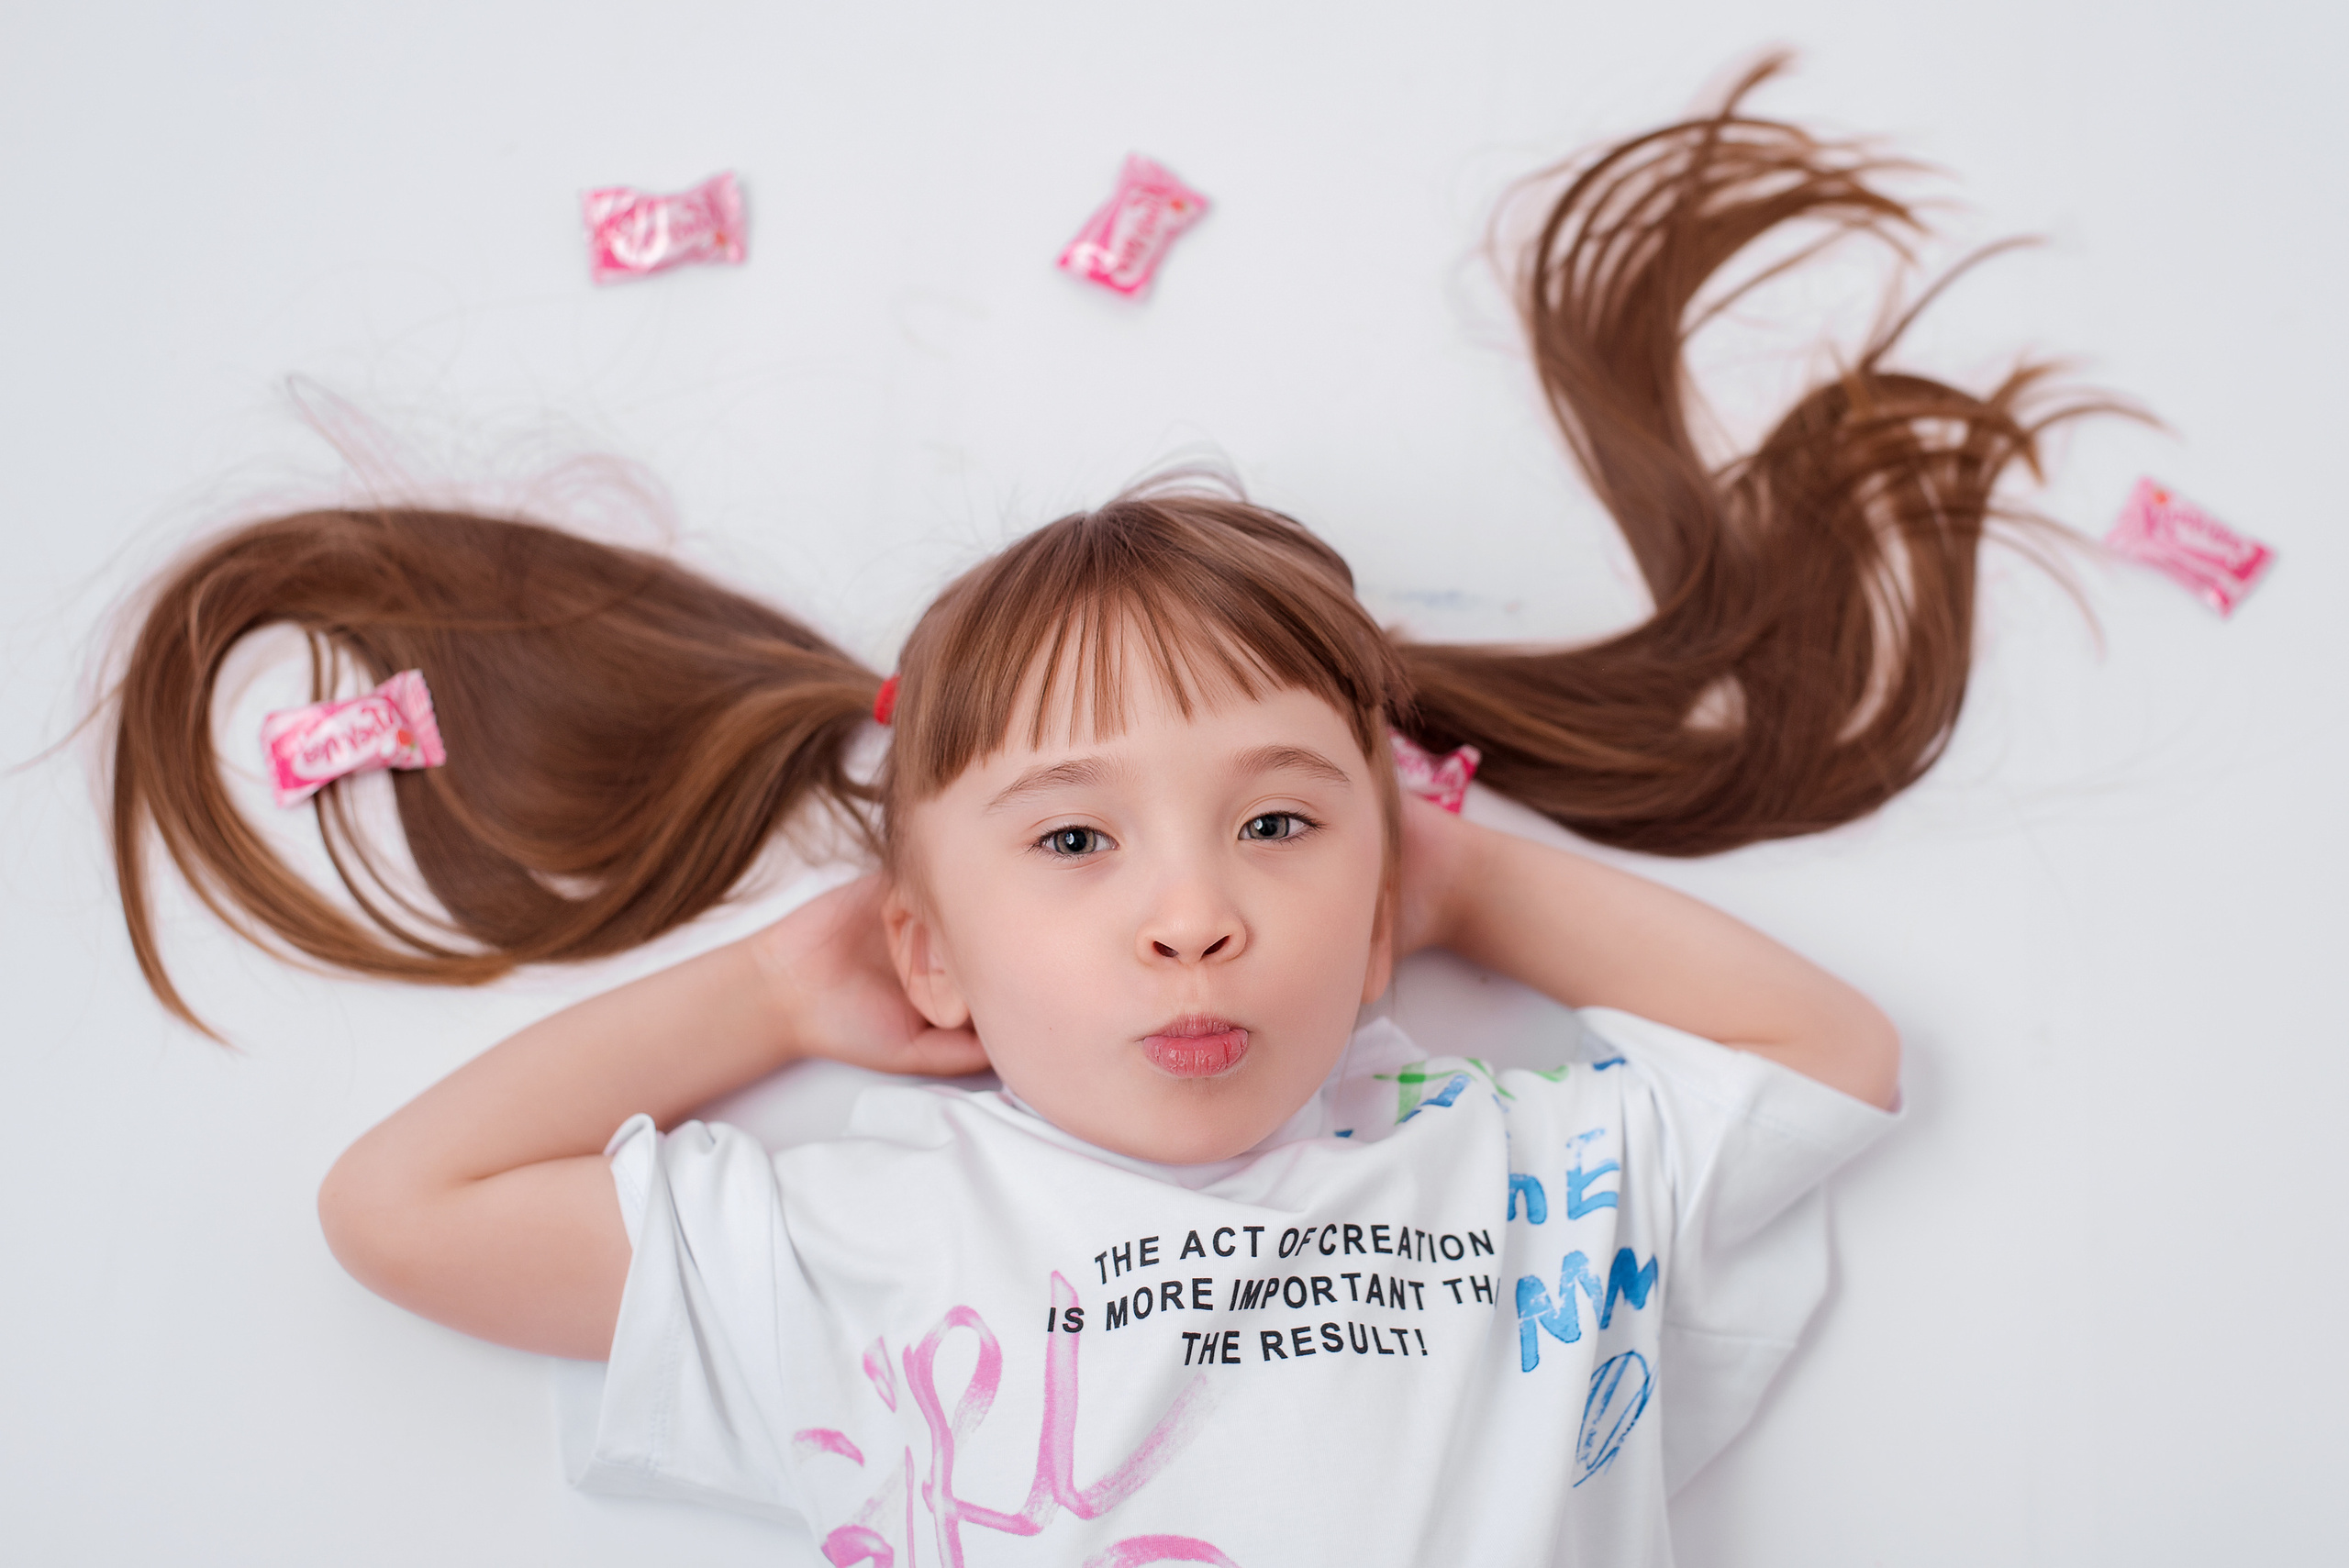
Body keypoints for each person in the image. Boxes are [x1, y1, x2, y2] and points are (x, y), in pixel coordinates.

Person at [102, 62, 2095, 1566]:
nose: (1192, 917)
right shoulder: (882, 1235)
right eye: (1072, 842)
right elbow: (393, 1215)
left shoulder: (1531, 1175)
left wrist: (1463, 881)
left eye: (1280, 828)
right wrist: (779, 1005)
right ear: (929, 941)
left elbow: (1829, 1059)